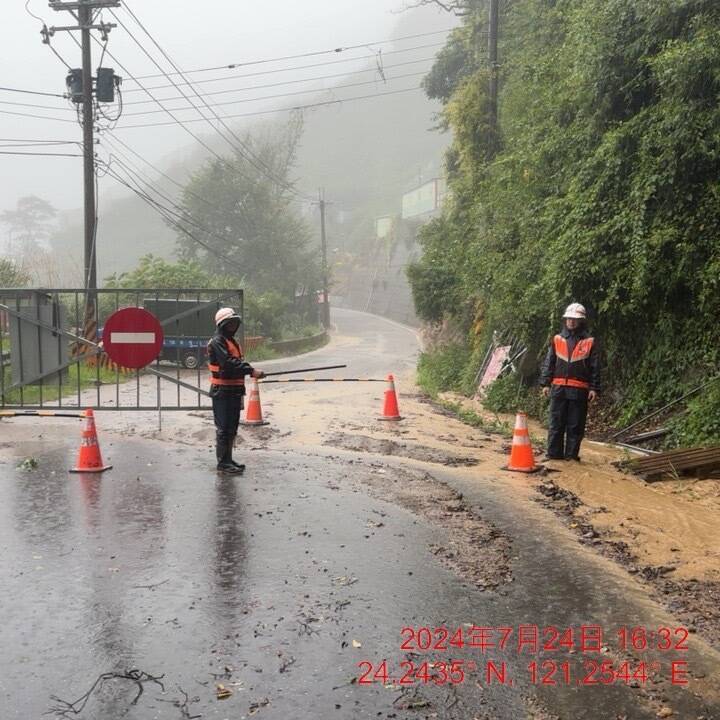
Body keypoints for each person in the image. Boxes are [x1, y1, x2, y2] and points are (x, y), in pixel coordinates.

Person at [207, 307, 265, 474]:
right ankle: (223, 463)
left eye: (235, 323)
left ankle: (228, 459)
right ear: (222, 324)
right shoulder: (218, 341)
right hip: (222, 390)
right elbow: (228, 363)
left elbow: (235, 363)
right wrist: (251, 370)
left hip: (233, 390)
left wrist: (248, 371)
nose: (233, 326)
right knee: (224, 428)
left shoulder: (231, 341)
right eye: (229, 323)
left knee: (232, 427)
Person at [540, 303, 600, 461]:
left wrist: (594, 388)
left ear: (581, 321)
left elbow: (595, 367)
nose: (571, 321)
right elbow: (550, 362)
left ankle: (571, 457)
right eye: (569, 318)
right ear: (565, 319)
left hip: (579, 389)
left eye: (575, 319)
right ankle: (553, 455)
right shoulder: (557, 339)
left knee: (575, 426)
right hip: (559, 387)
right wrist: (545, 383)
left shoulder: (589, 341)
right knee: (556, 424)